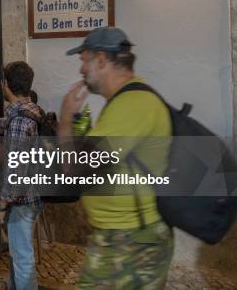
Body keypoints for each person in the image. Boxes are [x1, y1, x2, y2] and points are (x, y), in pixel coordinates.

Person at [59, 27, 173, 289]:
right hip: (125, 237)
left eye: (83, 61)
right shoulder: (128, 100)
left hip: (131, 241)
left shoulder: (132, 104)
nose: (81, 70)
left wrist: (65, 123)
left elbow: (76, 174)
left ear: (101, 59)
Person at [0, 61, 43, 290]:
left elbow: (16, 168)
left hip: (21, 198)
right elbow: (9, 123)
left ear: (6, 85)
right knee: (18, 252)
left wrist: (1, 206)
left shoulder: (21, 119)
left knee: (22, 257)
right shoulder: (26, 111)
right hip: (25, 194)